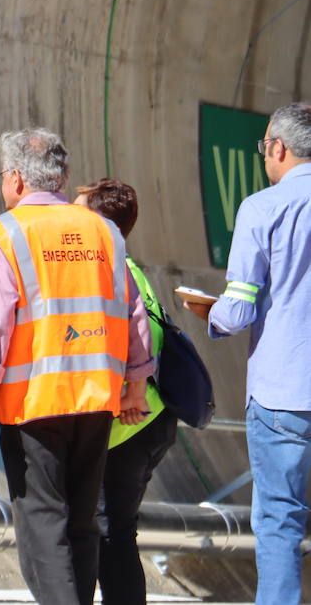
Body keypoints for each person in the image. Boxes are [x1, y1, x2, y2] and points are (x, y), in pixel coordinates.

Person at [0, 128, 153, 605]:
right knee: (82, 519)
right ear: (62, 177)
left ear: (16, 180)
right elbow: (133, 311)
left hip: (34, 400)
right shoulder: (103, 230)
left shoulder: (7, 231)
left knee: (43, 520)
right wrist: (137, 384)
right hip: (96, 397)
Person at [186, 102, 311, 605]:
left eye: (264, 148)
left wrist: (208, 313)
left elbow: (238, 309)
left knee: (280, 520)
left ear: (278, 148)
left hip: (284, 391)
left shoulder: (263, 207)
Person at [75, 178, 177, 605]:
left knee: (107, 532)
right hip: (151, 421)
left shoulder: (111, 271)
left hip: (127, 425)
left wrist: (124, 394)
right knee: (117, 530)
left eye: (78, 212)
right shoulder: (132, 269)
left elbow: (133, 342)